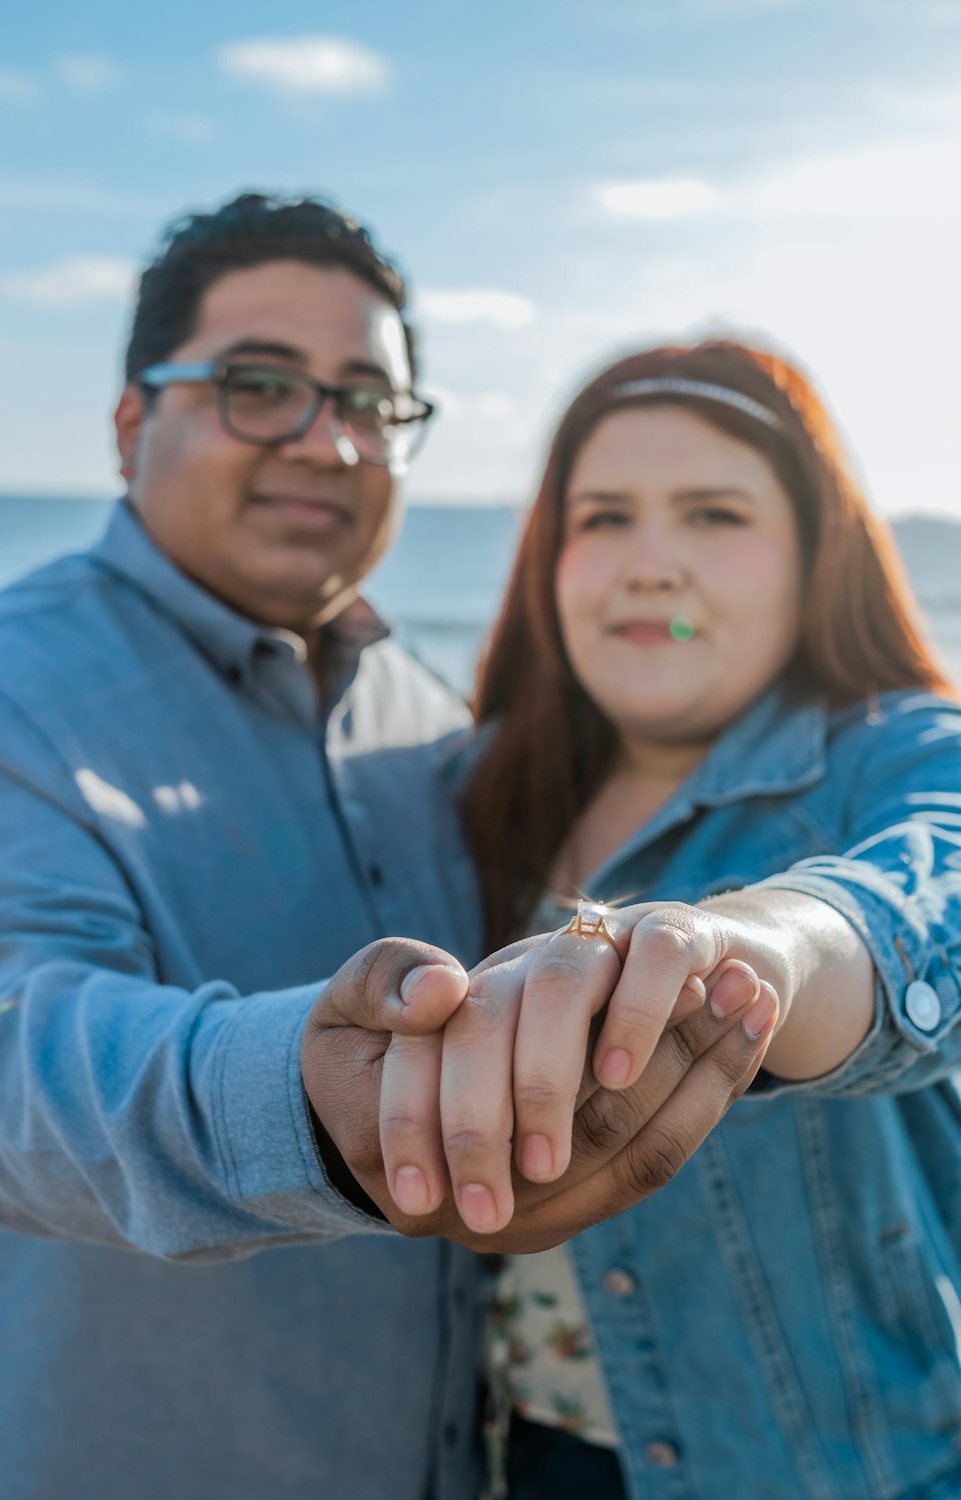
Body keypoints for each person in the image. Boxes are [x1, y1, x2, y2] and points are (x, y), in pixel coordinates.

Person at [0, 196, 773, 1500]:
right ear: (129, 427)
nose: (327, 443)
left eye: (370, 402)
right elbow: (2, 1055)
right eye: (259, 386)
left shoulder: (431, 720)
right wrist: (304, 1102)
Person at [461, 340, 961, 1500]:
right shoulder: (472, 793)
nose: (650, 567)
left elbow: (928, 894)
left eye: (712, 515)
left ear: (811, 557)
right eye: (603, 517)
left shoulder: (894, 751)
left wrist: (764, 945)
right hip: (525, 1455)